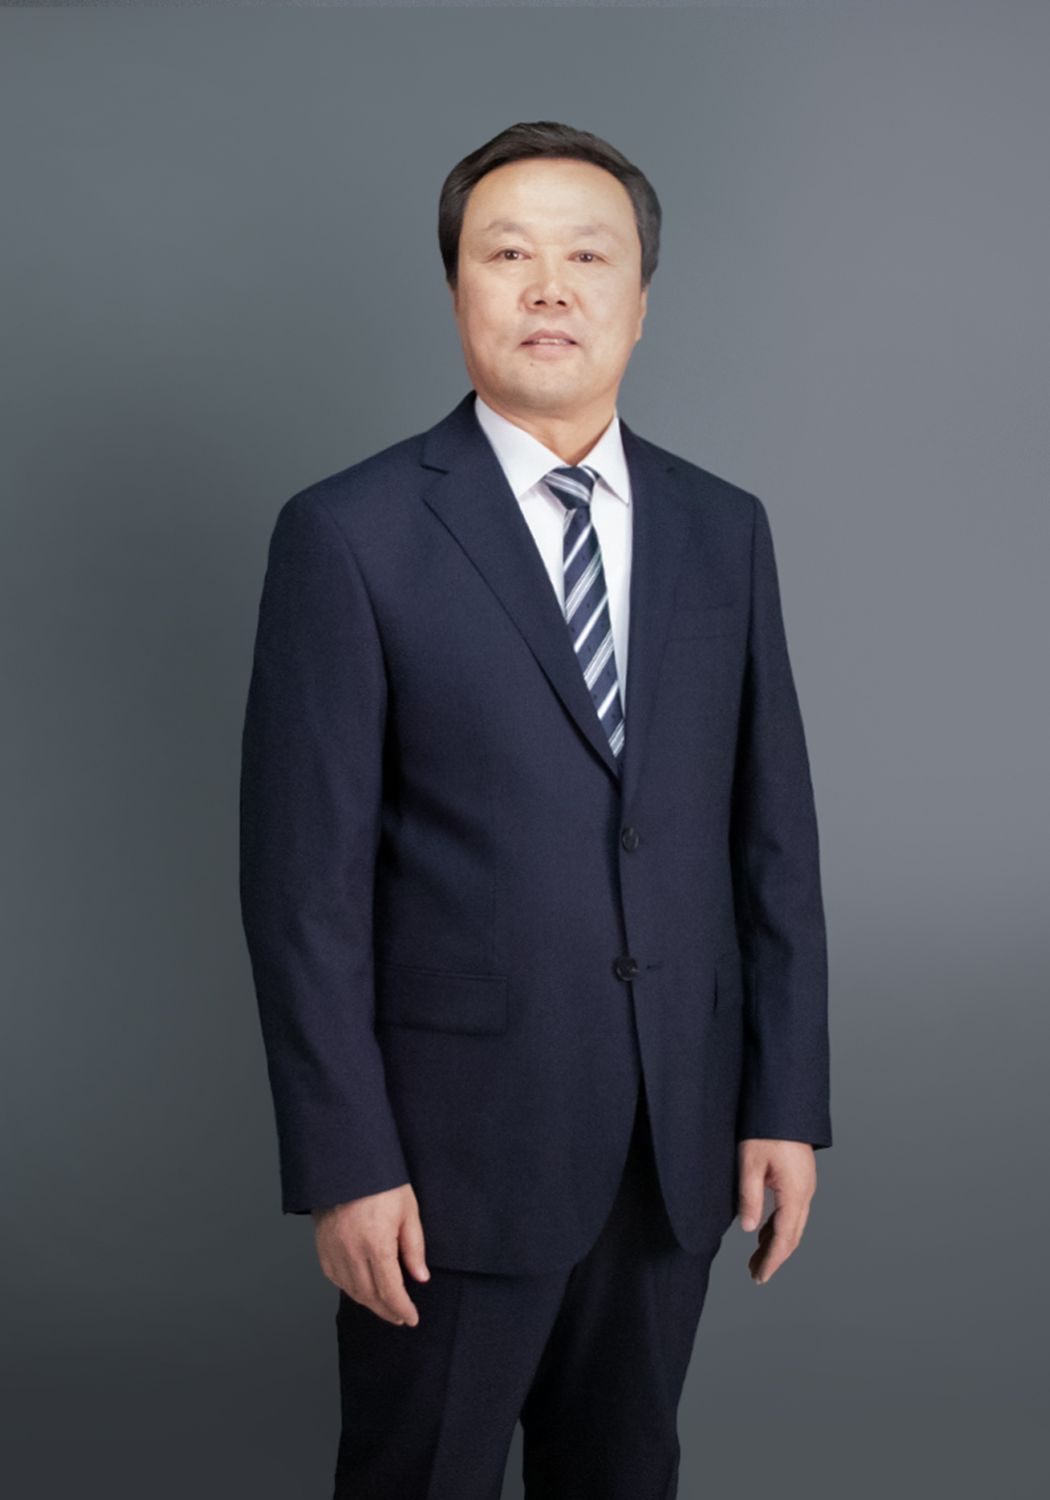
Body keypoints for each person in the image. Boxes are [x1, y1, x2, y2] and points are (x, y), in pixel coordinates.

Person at [239, 118, 832, 1500]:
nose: (549, 288)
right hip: (445, 1161)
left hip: (675, 1141)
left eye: (588, 257)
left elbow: (772, 841)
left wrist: (784, 1102)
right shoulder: (349, 534)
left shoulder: (722, 529)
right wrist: (345, 1162)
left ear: (641, 298)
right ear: (458, 287)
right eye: (508, 255)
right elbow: (301, 887)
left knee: (626, 1474)